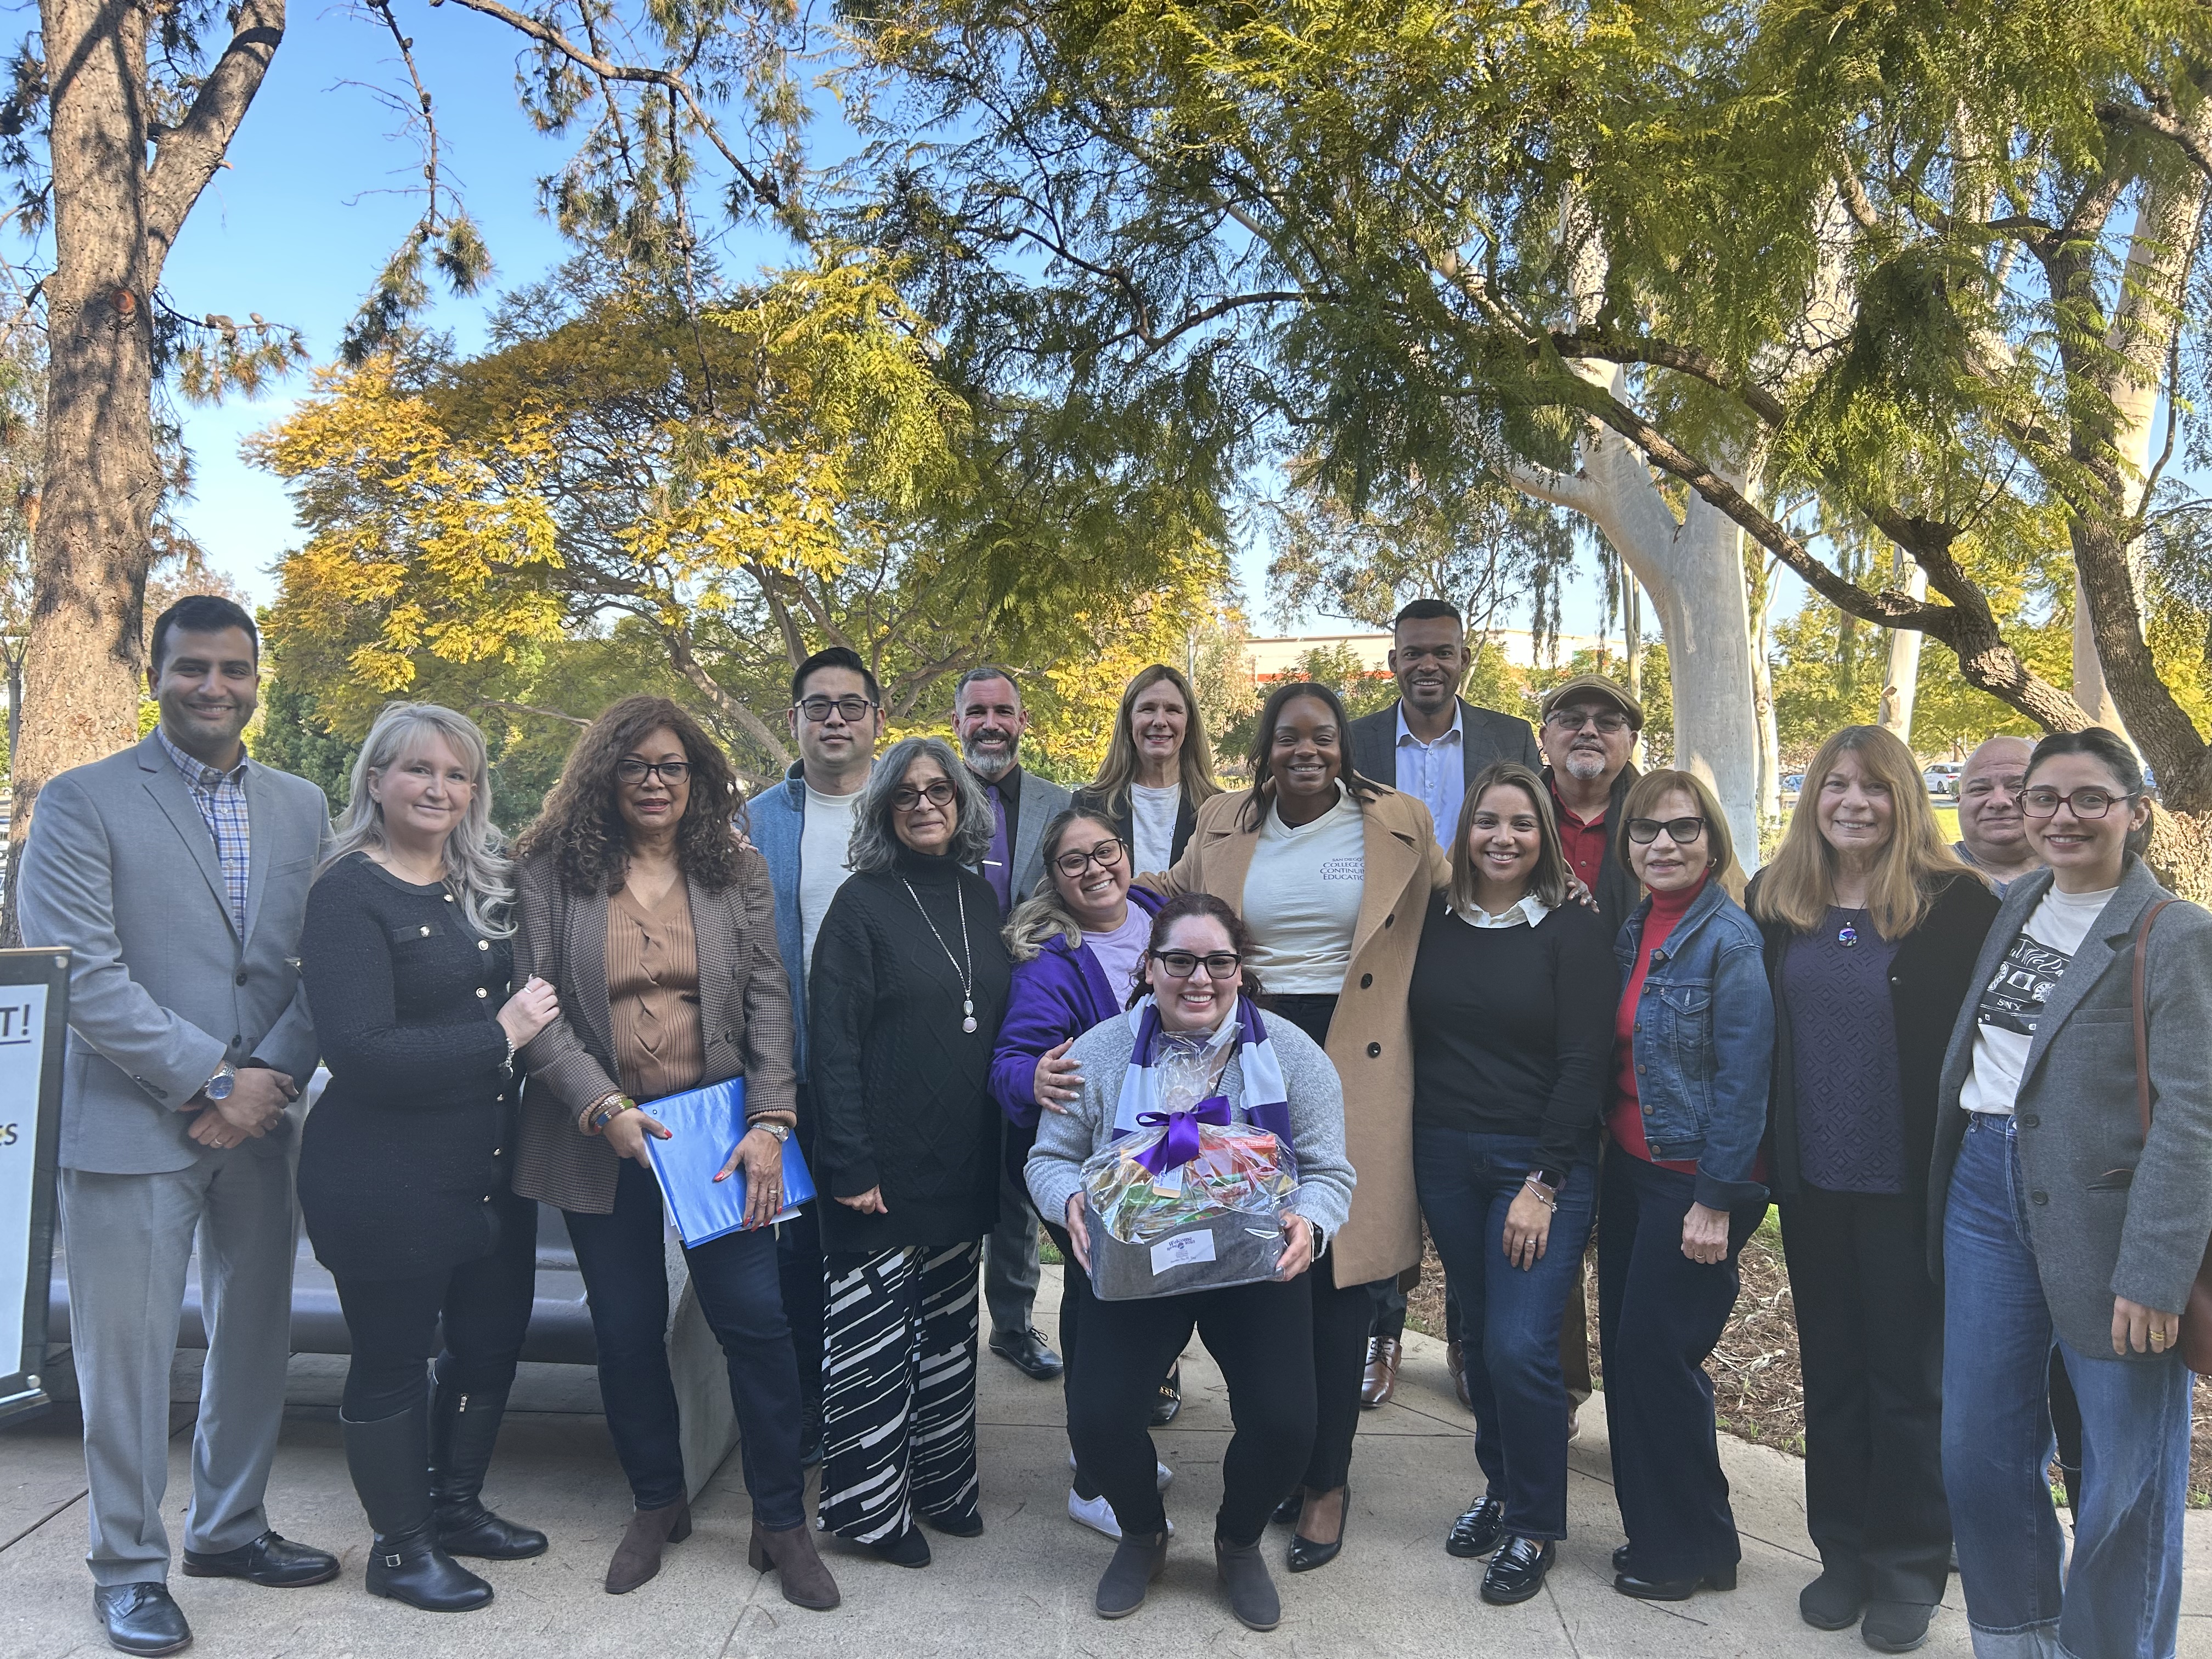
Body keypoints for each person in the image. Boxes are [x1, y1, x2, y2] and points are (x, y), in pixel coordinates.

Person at [18, 595, 340, 1657]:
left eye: (233, 669)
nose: (214, 686)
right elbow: (82, 973)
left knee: (254, 1336)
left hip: (264, 1122)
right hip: (130, 1122)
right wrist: (212, 1080)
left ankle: (229, 1529)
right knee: (127, 1360)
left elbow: (320, 958)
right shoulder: (83, 800)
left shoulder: (301, 804)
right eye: (192, 666)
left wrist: (269, 1079)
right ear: (154, 675)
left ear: (257, 679)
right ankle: (126, 1567)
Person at [511, 696, 836, 1610]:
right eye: (635, 765)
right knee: (625, 1329)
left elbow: (769, 994)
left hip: (717, 1135)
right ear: (603, 774)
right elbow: (535, 1010)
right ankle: (658, 1500)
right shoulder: (550, 867)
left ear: (697, 777)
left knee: (756, 1323)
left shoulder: (733, 866)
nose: (654, 781)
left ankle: (781, 1518)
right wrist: (601, 1105)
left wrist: (771, 1121)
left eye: (671, 766)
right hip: (600, 1134)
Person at [1931, 727, 2212, 1659]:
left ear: (2135, 812)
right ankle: (2017, 1640)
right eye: (2045, 797)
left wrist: (2156, 1270)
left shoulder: (2175, 934)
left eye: (2091, 798)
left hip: (2110, 1219)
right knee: (1978, 1450)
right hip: (1983, 1190)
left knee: (2126, 1475)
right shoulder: (2020, 903)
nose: (2064, 816)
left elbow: (2195, 1115)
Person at [1158, 679, 1448, 1573]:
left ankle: (1327, 1480)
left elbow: (1469, 892)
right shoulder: (1223, 818)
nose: (1306, 750)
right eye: (1288, 736)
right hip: (1243, 1049)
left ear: (1343, 744)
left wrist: (1562, 889)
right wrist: (1070, 897)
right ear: (1265, 746)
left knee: (1335, 1272)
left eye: (1322, 735)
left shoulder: (1397, 820)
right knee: (1258, 1256)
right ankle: (1282, 1455)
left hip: (1358, 1053)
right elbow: (1163, 898)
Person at [1028, 894, 1357, 1630]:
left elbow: (1330, 1171)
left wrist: (1310, 1220)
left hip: (1254, 1266)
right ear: (1149, 967)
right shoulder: (1099, 1053)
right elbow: (1049, 1158)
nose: (1199, 978)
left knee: (1287, 1424)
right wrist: (1069, 1200)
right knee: (1098, 1419)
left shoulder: (1292, 1055)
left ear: (1241, 970)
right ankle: (1143, 1534)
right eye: (1180, 961)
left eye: (1218, 962)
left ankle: (1237, 1542)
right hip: (1138, 1266)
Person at [296, 704, 562, 1612]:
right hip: (384, 1178)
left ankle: (455, 1508)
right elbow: (360, 1050)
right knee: (394, 1359)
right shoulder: (348, 892)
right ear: (376, 779)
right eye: (418, 769)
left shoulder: (479, 880)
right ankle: (400, 1548)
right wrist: (500, 1034)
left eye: (456, 774)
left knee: (488, 1345)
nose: (438, 788)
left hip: (486, 1170)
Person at [1747, 726, 1999, 1653]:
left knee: (1906, 1381)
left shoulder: (1956, 904)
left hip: (1907, 1186)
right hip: (1813, 1183)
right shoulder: (1777, 899)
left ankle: (1907, 1565)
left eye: (1875, 787)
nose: (1853, 803)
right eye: (1836, 785)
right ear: (1812, 797)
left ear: (1905, 800)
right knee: (1833, 1372)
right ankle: (1842, 1553)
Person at [1408, 764, 1616, 1606]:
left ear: (1545, 837)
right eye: (1488, 822)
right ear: (1466, 832)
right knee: (1479, 1333)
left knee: (1520, 1345)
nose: (1503, 838)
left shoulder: (1573, 931)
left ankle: (1535, 1523)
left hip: (1536, 1164)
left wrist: (1545, 1182)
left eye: (1522, 824)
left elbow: (1585, 1063)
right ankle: (1500, 1488)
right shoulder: (1433, 922)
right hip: (1443, 1158)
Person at [810, 736, 1013, 1566]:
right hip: (881, 1168)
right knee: (876, 1346)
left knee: (949, 1339)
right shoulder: (859, 904)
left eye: (940, 791)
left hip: (962, 1160)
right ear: (884, 810)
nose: (925, 804)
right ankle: (870, 1514)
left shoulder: (979, 896)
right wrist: (850, 1163)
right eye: (906, 794)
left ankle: (943, 1486)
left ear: (961, 803)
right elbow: (833, 1046)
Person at [1346, 599, 1542, 1406]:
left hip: (1481, 952)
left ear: (1465, 659)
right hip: (1381, 962)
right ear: (1392, 661)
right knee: (1382, 1146)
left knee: (1468, 1139)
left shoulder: (1510, 738)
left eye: (1443, 652)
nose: (1428, 664)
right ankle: (1381, 1329)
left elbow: (1536, 834)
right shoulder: (1354, 741)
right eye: (1413, 652)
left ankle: (1466, 1336)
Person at [1598, 768, 1773, 1604]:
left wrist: (1715, 1198)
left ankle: (1680, 1549)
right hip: (1634, 1172)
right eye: (1646, 830)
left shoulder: (1729, 942)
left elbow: (1746, 1080)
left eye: (1682, 829)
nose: (1663, 844)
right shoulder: (1639, 927)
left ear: (1711, 841)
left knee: (1656, 1360)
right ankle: (1689, 1538)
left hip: (1693, 1183)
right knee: (1632, 1360)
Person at [991, 808, 1170, 1536]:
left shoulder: (1163, 915)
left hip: (1164, 1151)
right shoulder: (1051, 958)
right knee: (1104, 1301)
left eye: (1106, 851)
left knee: (1140, 1303)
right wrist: (1029, 1077)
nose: (1096, 869)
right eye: (1075, 861)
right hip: (1083, 1160)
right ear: (1055, 879)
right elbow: (1011, 1060)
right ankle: (1095, 1477)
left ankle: (1108, 1439)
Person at [752, 645, 888, 1465]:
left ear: (878, 720)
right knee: (800, 1253)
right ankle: (810, 1403)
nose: (835, 718)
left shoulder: (910, 808)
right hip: (796, 1072)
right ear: (795, 720)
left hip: (893, 1074)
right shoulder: (757, 822)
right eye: (818, 706)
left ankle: (885, 1402)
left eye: (851, 705)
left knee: (884, 1244)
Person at [1525, 670, 1646, 1435]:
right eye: (1572, 717)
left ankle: (1639, 1400)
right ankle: (1557, 1388)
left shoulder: (1662, 812)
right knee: (1544, 1221)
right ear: (1545, 736)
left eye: (1608, 720)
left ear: (1631, 739)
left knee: (1633, 1239)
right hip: (1538, 1055)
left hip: (1639, 1059)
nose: (1589, 731)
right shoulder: (1515, 807)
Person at [953, 664, 1071, 1383]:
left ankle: (1015, 1324)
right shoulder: (931, 796)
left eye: (1003, 712)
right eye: (977, 713)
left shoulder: (1064, 803)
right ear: (957, 723)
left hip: (1030, 1010)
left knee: (1020, 1169)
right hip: (945, 1010)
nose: (991, 725)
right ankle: (941, 1322)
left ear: (1023, 721)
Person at [1074, 663, 1223, 877]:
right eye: (1148, 709)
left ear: (1189, 723)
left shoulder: (1218, 809)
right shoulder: (1089, 805)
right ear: (1129, 721)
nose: (1160, 721)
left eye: (1173, 710)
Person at [1953, 735, 2039, 891]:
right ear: (1960, 802)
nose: (1999, 801)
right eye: (1980, 789)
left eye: (2017, 787)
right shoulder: (1917, 877)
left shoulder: (2083, 877)